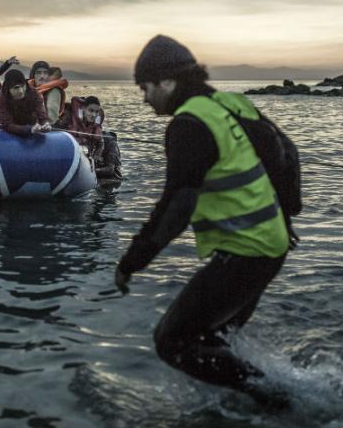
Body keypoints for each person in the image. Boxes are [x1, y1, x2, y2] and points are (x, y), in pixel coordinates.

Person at [114, 35, 291, 408]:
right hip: (271, 246)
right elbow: (285, 154)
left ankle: (276, 401)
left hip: (247, 252)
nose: (144, 98)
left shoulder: (189, 124)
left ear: (166, 82)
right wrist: (286, 218)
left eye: (144, 88)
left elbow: (178, 206)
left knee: (172, 341)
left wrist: (133, 260)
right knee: (212, 338)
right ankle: (242, 405)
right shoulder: (232, 104)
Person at [66, 96, 121, 179]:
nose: (93, 115)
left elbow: (100, 143)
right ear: (83, 108)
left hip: (89, 151)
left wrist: (95, 157)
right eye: (91, 111)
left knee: (110, 138)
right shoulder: (69, 117)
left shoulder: (97, 123)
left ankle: (109, 169)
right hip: (74, 150)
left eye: (96, 112)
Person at [0, 69, 51, 137]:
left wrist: (46, 124)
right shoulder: (0, 97)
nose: (21, 91)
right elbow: (6, 124)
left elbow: (42, 116)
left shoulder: (34, 93)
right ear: (8, 88)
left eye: (22, 86)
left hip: (31, 126)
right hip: (9, 130)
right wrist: (28, 129)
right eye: (16, 88)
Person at [29, 60, 69, 125]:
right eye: (38, 73)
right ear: (33, 75)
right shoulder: (27, 88)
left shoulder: (54, 91)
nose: (42, 76)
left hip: (45, 127)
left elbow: (51, 119)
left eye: (45, 73)